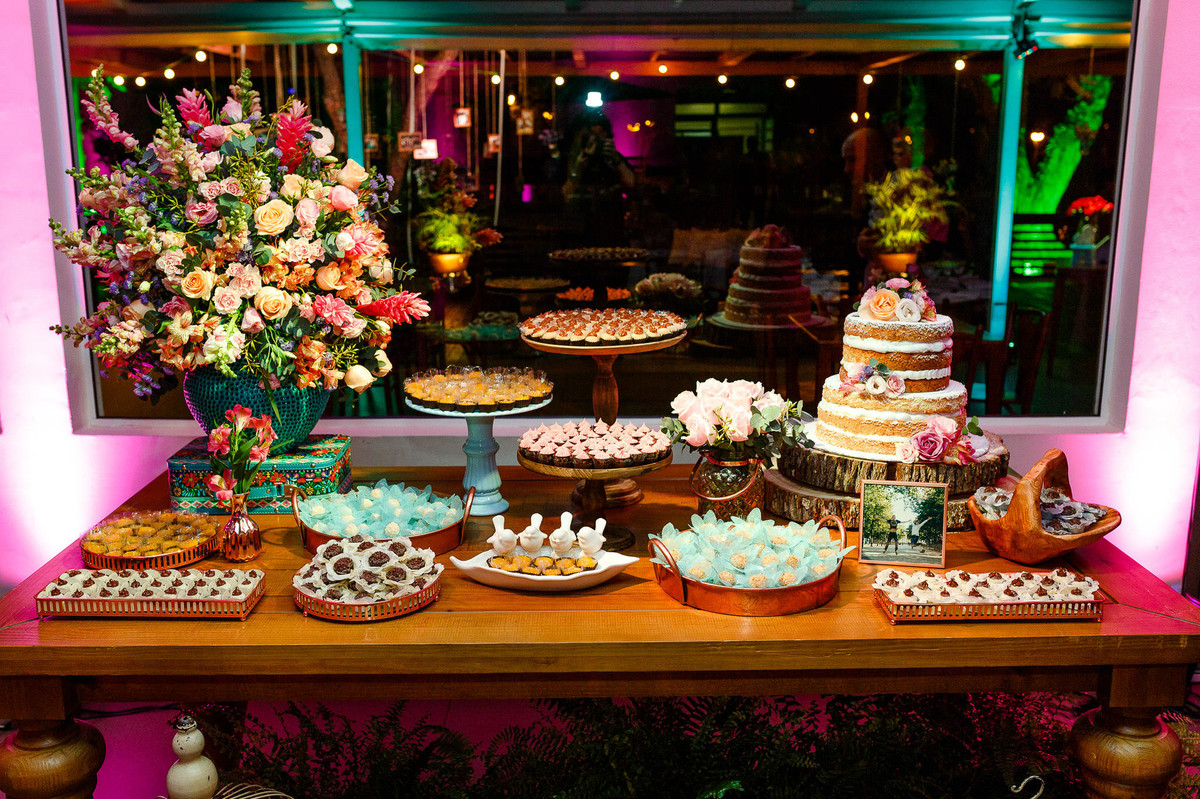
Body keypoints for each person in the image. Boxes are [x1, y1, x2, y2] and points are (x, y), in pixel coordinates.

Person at [562, 113, 634, 245]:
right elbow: (566, 197)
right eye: (589, 137)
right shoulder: (572, 161)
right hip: (579, 232)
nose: (593, 142)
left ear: (607, 137)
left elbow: (632, 185)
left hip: (611, 231)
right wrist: (577, 169)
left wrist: (617, 162)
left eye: (598, 137)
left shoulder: (613, 159)